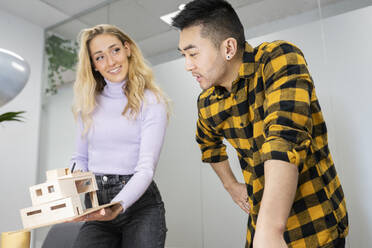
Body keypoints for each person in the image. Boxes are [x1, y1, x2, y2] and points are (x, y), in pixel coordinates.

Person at [172, 0, 348, 247]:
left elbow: (283, 139)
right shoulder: (208, 101)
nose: (188, 65)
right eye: (184, 56)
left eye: (193, 54)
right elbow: (208, 145)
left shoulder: (278, 59)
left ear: (229, 48)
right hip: (260, 225)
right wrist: (231, 185)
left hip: (315, 222)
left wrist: (270, 230)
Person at [69, 24, 169, 248]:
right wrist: (69, 185)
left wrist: (117, 205)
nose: (111, 62)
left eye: (115, 50)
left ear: (127, 49)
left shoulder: (151, 101)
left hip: (140, 208)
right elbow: (80, 158)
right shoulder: (87, 103)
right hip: (96, 205)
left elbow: (146, 169)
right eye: (100, 57)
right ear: (93, 65)